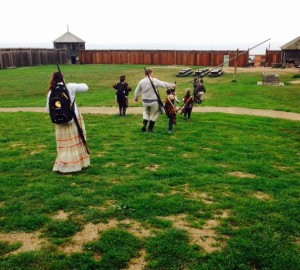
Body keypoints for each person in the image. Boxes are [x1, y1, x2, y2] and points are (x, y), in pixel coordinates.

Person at [46, 71, 90, 173]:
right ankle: (75, 165)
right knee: (74, 143)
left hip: (59, 123)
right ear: (63, 78)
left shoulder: (51, 92)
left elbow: (48, 109)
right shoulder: (70, 87)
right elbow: (86, 87)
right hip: (72, 120)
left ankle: (63, 164)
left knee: (65, 145)